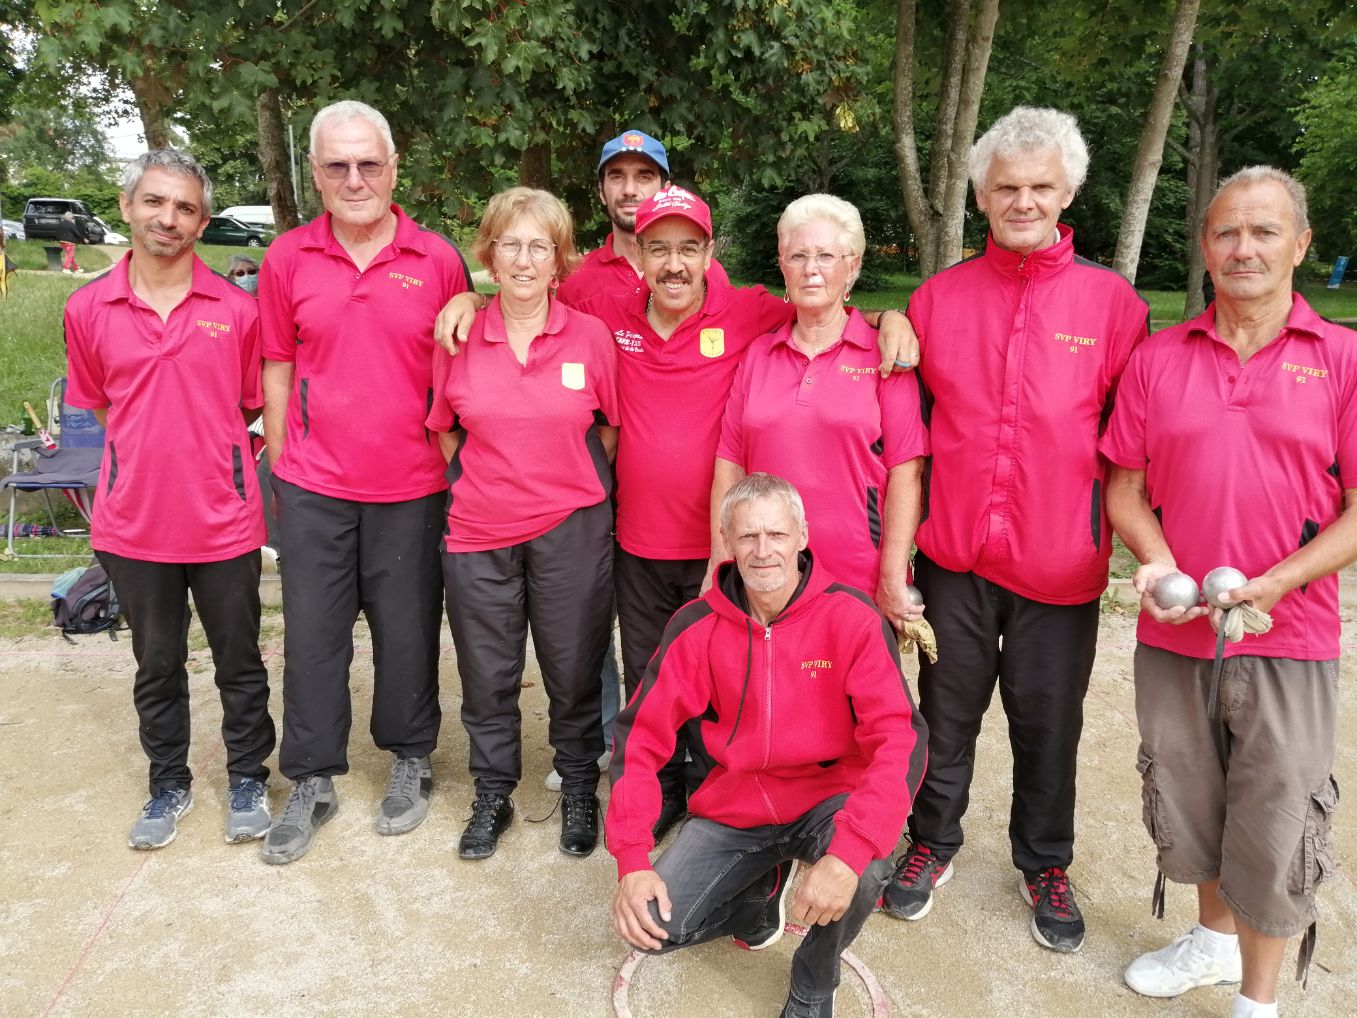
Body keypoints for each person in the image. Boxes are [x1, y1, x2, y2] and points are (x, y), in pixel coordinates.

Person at [437, 185, 919, 843]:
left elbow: (821, 294)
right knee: (651, 676)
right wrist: (471, 297)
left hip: (720, 543)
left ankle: (719, 797)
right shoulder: (605, 316)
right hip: (637, 538)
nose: (672, 264)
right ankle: (660, 790)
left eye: (687, 249)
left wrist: (887, 315)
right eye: (657, 248)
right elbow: (528, 299)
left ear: (708, 254)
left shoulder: (748, 313)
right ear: (635, 254)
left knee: (729, 679)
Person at [878, 106, 1149, 954]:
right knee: (944, 714)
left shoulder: (1112, 307)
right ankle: (932, 842)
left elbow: (1135, 448)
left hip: (1058, 566)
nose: (1022, 201)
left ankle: (1043, 861)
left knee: (1047, 723)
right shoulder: (935, 299)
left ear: (1066, 191)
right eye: (1006, 187)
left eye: (1039, 186)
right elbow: (907, 435)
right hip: (955, 558)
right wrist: (886, 318)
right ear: (981, 195)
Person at [1102, 166, 1357, 1018]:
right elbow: (1124, 487)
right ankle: (1210, 942)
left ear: (1299, 245)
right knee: (1189, 797)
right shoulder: (1158, 356)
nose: (1242, 248)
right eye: (1225, 233)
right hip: (1175, 631)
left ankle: (1257, 1000)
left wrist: (1273, 582)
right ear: (1204, 247)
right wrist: (1155, 554)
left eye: (1262, 231)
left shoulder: (1343, 358)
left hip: (1288, 636)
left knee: (1277, 812)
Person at [608, 473, 928, 1018]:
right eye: (748, 537)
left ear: (802, 535)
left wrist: (848, 852)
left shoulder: (852, 618)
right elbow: (639, 738)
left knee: (868, 866)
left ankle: (813, 981)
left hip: (830, 799)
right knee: (652, 929)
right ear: (727, 543)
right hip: (737, 805)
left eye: (776, 534)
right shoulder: (695, 626)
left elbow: (899, 739)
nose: (763, 551)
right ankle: (757, 909)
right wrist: (632, 859)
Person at [256, 100, 473, 864]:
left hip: (413, 484)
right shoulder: (286, 260)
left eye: (368, 164)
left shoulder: (436, 258)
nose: (354, 179)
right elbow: (277, 368)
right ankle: (311, 778)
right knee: (312, 639)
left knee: (408, 633)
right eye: (337, 165)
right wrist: (284, 466)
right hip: (315, 485)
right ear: (315, 174)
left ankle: (411, 758)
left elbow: (456, 367)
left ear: (392, 169)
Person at [63, 148, 275, 849]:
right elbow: (97, 406)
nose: (168, 218)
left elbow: (255, 407)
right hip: (135, 525)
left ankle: (247, 775)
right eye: (154, 201)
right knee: (156, 665)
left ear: (203, 222)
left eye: (184, 207)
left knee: (239, 660)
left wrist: (216, 464)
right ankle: (169, 783)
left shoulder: (235, 309)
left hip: (225, 522)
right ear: (127, 206)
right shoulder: (88, 307)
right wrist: (143, 464)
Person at [427, 187, 618, 860]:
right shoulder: (458, 335)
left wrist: (556, 479)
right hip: (478, 530)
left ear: (559, 258)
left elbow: (610, 431)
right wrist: (494, 481)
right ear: (488, 255)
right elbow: (444, 432)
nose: (524, 258)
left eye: (539, 245)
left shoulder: (589, 338)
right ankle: (492, 793)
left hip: (572, 528)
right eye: (510, 243)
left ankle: (575, 786)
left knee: (572, 669)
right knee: (487, 673)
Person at [709, 193, 928, 629]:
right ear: (783, 266)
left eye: (826, 255)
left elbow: (908, 473)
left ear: (853, 265)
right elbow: (729, 465)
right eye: (798, 255)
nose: (811, 269)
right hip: (765, 576)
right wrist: (721, 568)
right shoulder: (758, 355)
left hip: (857, 581)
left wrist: (891, 575)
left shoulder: (884, 356)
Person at [554, 129, 729, 307]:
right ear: (601, 192)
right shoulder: (575, 279)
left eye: (644, 177)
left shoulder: (709, 274)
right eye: (617, 176)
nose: (629, 189)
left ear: (665, 190)